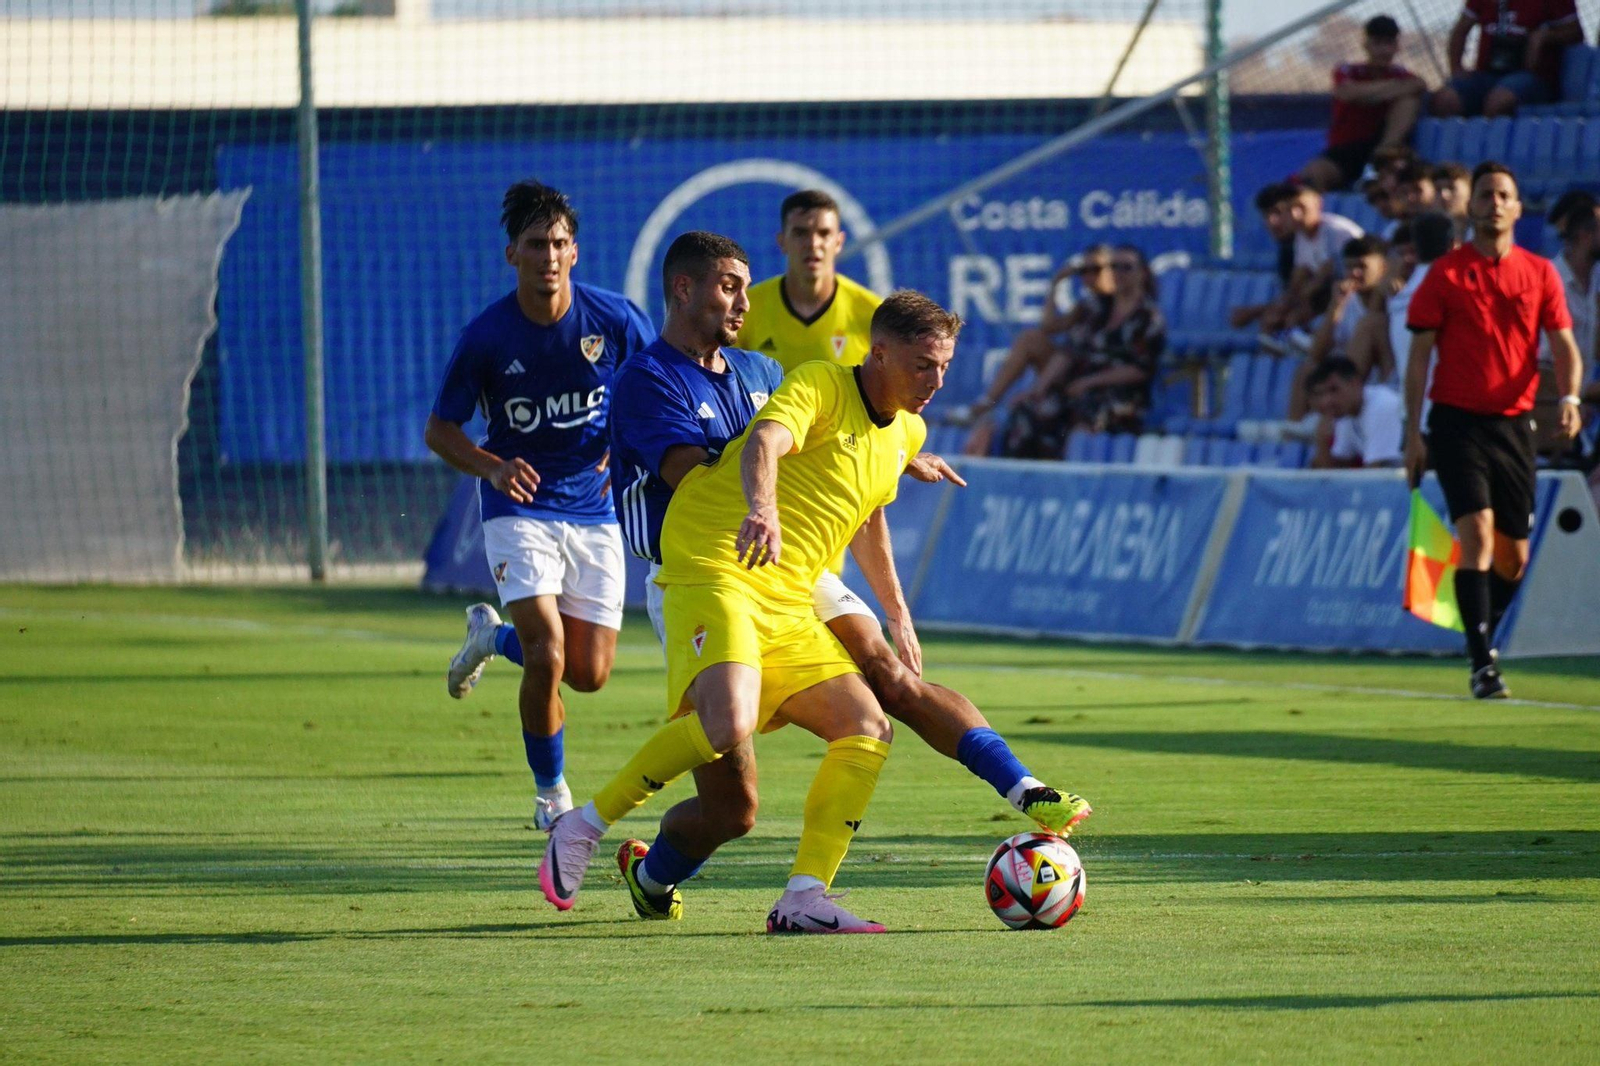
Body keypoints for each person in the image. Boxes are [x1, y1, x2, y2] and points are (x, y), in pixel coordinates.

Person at [542, 290, 1093, 934]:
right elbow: (764, 443)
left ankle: (803, 896)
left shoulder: (908, 429)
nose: (936, 381)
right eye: (922, 365)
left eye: (944, 366)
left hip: (791, 590)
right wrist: (762, 507)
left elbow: (866, 511)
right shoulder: (817, 384)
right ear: (878, 353)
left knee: (867, 725)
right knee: (728, 734)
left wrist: (899, 613)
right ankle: (583, 824)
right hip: (716, 562)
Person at [425, 180, 654, 827]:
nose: (547, 256)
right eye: (534, 245)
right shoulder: (488, 338)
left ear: (575, 253)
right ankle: (551, 796)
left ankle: (490, 637)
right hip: (517, 510)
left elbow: (655, 383)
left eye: (558, 243)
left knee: (588, 673)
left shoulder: (613, 320)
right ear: (512, 255)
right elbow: (440, 430)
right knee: (548, 652)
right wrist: (493, 467)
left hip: (594, 509)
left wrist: (625, 444)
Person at [1403, 162, 1584, 699]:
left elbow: (1564, 344)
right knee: (1476, 534)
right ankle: (1483, 664)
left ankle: (1480, 629)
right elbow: (1418, 359)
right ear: (1471, 206)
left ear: (1518, 207)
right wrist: (1413, 432)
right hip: (1456, 422)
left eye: (1505, 195)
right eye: (1486, 195)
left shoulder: (1540, 273)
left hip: (1514, 425)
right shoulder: (1446, 274)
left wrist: (1571, 397)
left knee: (1514, 557)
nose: (1495, 203)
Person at [1001, 244, 1165, 455]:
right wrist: (1037, 391)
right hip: (1079, 388)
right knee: (1027, 411)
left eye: (1126, 267)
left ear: (1142, 272)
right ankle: (1027, 478)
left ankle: (1069, 477)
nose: (1119, 273)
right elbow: (1069, 350)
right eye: (1114, 266)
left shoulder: (1148, 317)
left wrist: (1091, 381)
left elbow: (1141, 369)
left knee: (1084, 419)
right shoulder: (1097, 309)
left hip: (1117, 394)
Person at [953, 245, 1114, 453]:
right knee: (1030, 339)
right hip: (1069, 371)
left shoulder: (1119, 307)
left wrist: (1037, 390)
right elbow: (1049, 326)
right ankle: (986, 402)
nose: (1089, 277)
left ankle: (988, 405)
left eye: (1096, 270)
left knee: (1034, 354)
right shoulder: (1088, 305)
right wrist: (1056, 284)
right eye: (1084, 271)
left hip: (1092, 377)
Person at [737, 189, 881, 371]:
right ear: (782, 241)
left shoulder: (873, 314)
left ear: (839, 242)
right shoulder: (746, 309)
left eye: (824, 233)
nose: (813, 244)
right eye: (800, 233)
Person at [1300, 16, 1426, 192]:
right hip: (1345, 149)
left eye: (1388, 43)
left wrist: (1366, 94)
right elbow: (1346, 93)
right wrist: (1390, 90)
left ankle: (1382, 159)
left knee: (1409, 100)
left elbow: (1418, 85)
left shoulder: (1402, 74)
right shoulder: (1348, 70)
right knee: (1312, 175)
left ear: (1397, 46)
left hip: (1381, 148)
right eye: (1377, 43)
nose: (1383, 50)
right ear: (1366, 45)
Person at [1432, 0, 1584, 117]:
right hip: (1486, 73)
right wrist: (1456, 68)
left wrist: (1545, 36)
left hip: (1531, 76)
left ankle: (1495, 153)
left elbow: (1575, 33)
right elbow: (1461, 29)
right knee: (1445, 100)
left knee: (1499, 101)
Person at [1307, 356, 1405, 468]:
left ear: (1355, 383)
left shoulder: (1382, 406)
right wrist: (1322, 443)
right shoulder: (1346, 413)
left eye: (1334, 390)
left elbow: (1376, 473)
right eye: (1321, 394)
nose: (1327, 401)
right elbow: (1337, 468)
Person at [1432, 162, 1474, 241]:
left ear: (1471, 192)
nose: (1443, 195)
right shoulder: (1423, 236)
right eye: (1438, 189)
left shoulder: (1485, 234)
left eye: (1451, 188)